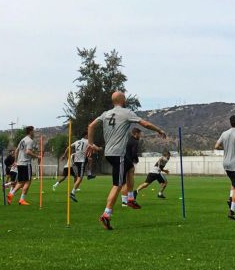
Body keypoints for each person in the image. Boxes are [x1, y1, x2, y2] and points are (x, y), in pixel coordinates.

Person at [87, 91, 167, 230]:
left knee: (130, 168)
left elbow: (90, 126)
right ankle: (106, 214)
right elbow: (144, 123)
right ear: (123, 99)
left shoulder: (106, 114)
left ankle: (130, 198)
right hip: (118, 154)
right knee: (117, 185)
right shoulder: (126, 112)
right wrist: (159, 130)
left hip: (110, 153)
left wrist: (90, 143)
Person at [53, 132, 91, 202]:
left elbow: (69, 152)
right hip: (69, 167)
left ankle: (58, 185)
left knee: (73, 177)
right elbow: (73, 161)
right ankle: (74, 188)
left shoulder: (74, 152)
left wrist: (64, 156)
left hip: (68, 166)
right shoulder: (74, 155)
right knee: (77, 177)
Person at [8, 126, 40, 206]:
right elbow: (28, 152)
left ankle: (11, 194)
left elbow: (16, 150)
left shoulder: (22, 140)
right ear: (30, 132)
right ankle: (21, 200)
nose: (34, 132)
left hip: (20, 164)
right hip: (26, 163)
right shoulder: (30, 141)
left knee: (21, 182)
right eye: (33, 131)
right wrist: (37, 156)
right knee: (28, 181)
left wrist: (16, 161)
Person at [121, 127, 142, 209]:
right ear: (136, 133)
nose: (140, 135)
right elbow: (134, 153)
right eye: (140, 134)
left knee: (123, 182)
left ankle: (124, 202)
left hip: (122, 161)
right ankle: (130, 199)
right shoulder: (135, 141)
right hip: (128, 162)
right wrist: (136, 160)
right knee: (129, 181)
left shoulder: (127, 140)